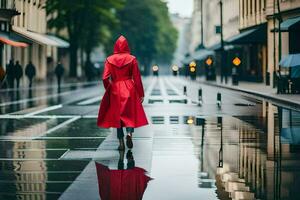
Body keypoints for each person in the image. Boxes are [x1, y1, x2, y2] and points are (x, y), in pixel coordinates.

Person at [97, 35, 148, 150]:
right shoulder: (132, 59)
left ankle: (121, 143)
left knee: (117, 117)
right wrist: (141, 93)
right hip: (129, 88)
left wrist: (109, 89)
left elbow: (105, 78)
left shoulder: (109, 59)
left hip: (115, 88)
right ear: (126, 46)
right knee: (129, 114)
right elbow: (137, 77)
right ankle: (129, 134)